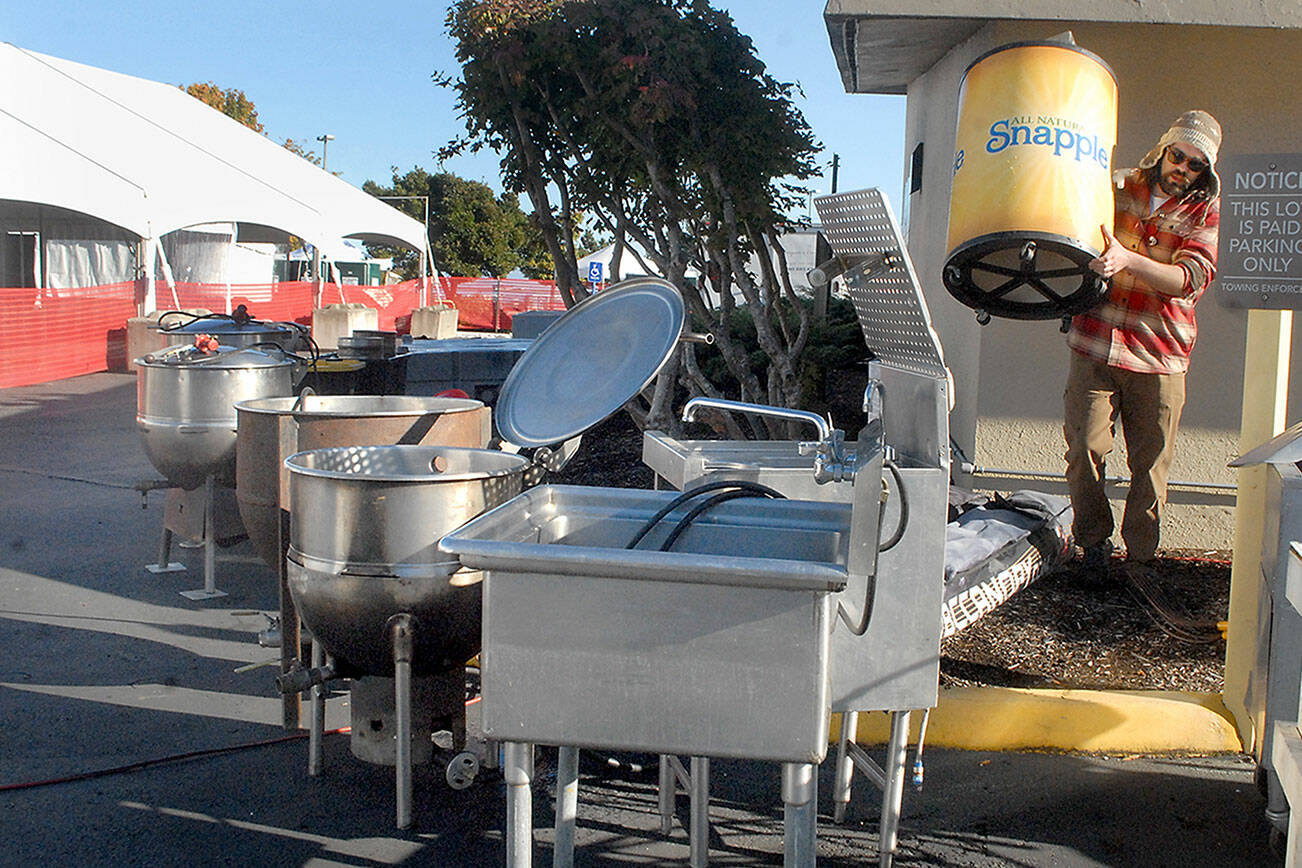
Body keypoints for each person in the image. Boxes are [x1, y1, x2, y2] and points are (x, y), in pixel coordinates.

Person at [1063, 110, 1221, 580]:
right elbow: (1071, 227)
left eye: (1196, 165)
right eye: (1179, 156)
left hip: (1160, 353)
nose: (1184, 170)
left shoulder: (1203, 210)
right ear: (1164, 148)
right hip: (1095, 342)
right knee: (1083, 451)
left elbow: (1189, 278)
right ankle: (1093, 547)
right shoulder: (1115, 187)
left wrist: (1127, 258)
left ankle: (1141, 560)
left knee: (1150, 465)